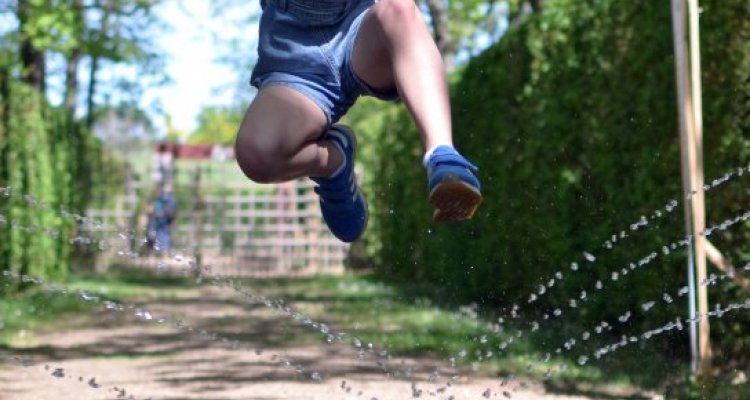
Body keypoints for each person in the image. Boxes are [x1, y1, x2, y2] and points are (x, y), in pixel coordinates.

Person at [235, 0, 482, 243]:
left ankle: (443, 153)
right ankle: (333, 163)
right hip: (295, 58)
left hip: (364, 31)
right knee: (257, 156)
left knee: (400, 7)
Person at [147, 186, 177, 254]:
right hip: (164, 222)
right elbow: (173, 213)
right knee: (164, 238)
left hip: (158, 223)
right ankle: (164, 254)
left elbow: (150, 211)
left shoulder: (159, 201)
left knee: (155, 238)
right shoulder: (170, 200)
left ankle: (156, 254)